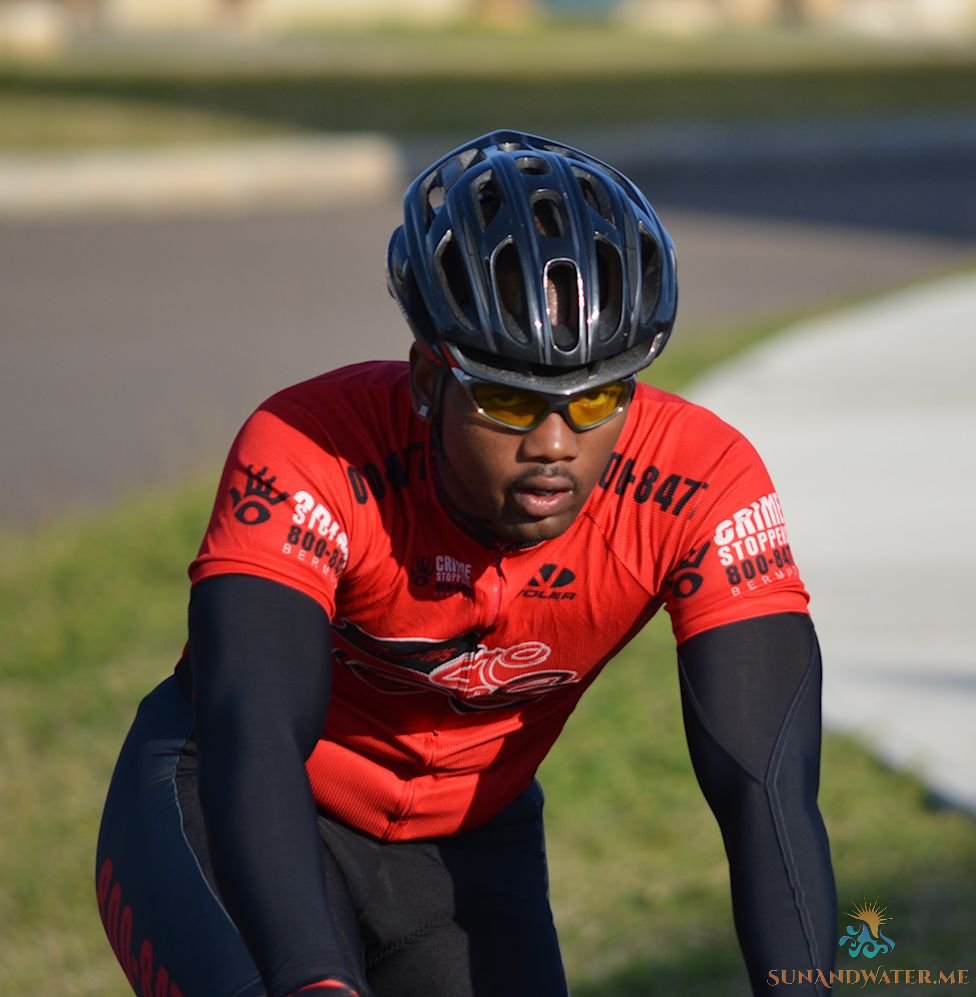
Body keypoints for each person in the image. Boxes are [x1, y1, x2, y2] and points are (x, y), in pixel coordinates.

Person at [96, 130, 837, 997]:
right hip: (238, 805)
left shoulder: (701, 483)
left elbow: (768, 793)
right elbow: (254, 734)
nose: (554, 445)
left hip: (469, 842)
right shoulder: (310, 448)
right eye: (509, 398)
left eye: (597, 396)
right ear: (425, 377)